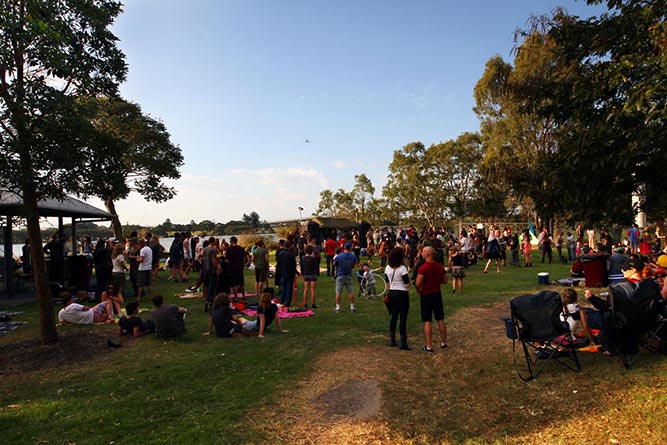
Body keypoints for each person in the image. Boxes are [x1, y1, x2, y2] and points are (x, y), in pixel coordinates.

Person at [415, 246, 448, 353]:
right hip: (437, 294)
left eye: (423, 252)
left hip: (426, 295)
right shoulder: (439, 267)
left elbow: (418, 282)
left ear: (427, 254)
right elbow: (445, 281)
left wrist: (418, 289)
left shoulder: (423, 268)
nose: (422, 254)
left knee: (427, 320)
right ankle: (444, 342)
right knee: (440, 318)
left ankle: (429, 345)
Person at [385, 247, 411, 350]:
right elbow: (407, 284)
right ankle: (403, 342)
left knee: (394, 316)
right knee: (403, 318)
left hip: (392, 292)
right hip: (402, 293)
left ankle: (392, 340)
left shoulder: (387, 268)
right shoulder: (402, 269)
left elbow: (387, 283)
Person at [333, 242, 358, 313]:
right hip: (348, 274)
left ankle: (338, 308)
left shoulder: (339, 256)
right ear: (350, 248)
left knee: (338, 292)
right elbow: (353, 265)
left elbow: (334, 264)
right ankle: (352, 307)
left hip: (340, 274)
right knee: (350, 291)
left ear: (344, 248)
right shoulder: (353, 256)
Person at [276, 240, 299, 307]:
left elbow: (278, 264)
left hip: (283, 273)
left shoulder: (280, 254)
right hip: (290, 273)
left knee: (283, 288)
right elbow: (293, 265)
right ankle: (288, 302)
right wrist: (296, 272)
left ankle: (282, 301)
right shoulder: (291, 255)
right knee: (289, 289)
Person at [136, 238, 153, 304]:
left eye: (139, 244)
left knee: (140, 284)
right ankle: (151, 296)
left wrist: (137, 259)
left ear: (141, 243)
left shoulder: (142, 250)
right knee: (148, 283)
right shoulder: (149, 249)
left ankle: (139, 297)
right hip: (149, 267)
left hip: (142, 269)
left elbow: (141, 260)